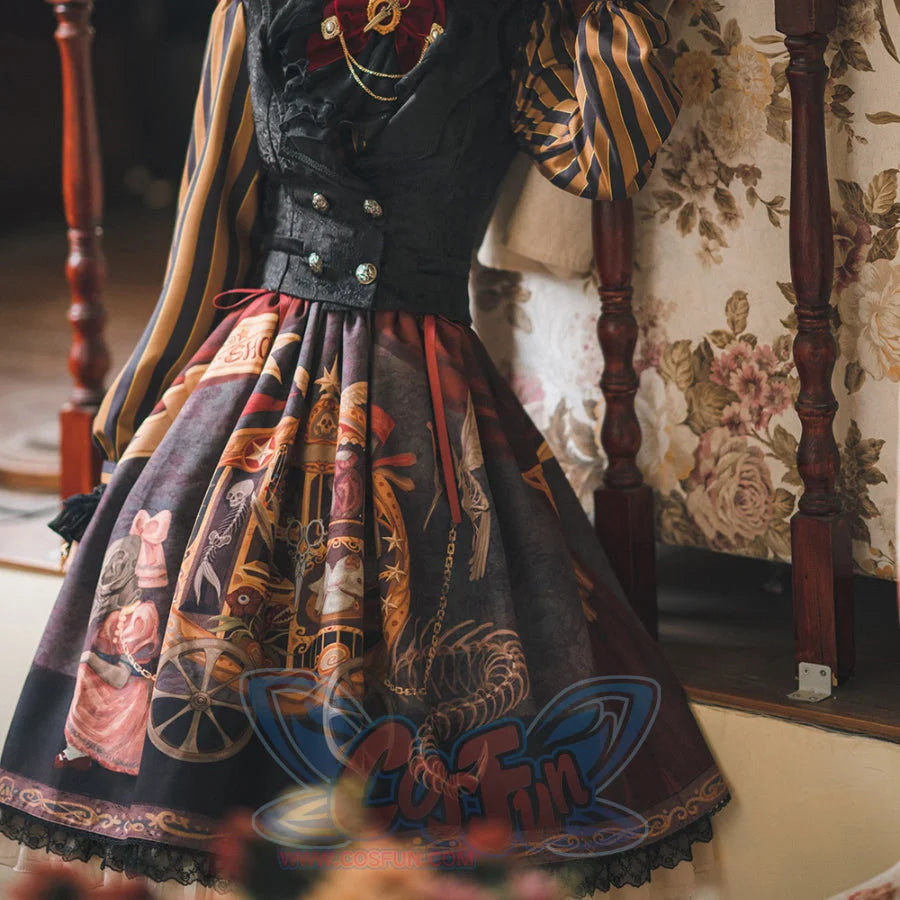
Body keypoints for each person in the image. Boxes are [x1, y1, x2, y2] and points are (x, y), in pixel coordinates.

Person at [0, 0, 728, 894]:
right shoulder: (254, 10)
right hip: (262, 364)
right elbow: (211, 220)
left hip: (421, 393)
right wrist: (130, 434)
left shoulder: (517, 20)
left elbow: (608, 158)